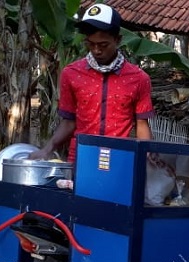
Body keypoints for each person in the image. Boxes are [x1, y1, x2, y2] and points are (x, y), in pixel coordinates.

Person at [29, 4, 154, 162]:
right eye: (90, 44)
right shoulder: (71, 74)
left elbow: (141, 123)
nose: (96, 50)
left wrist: (146, 157)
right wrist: (47, 149)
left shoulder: (139, 78)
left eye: (103, 45)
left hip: (120, 159)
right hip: (81, 158)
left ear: (118, 40)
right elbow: (69, 120)